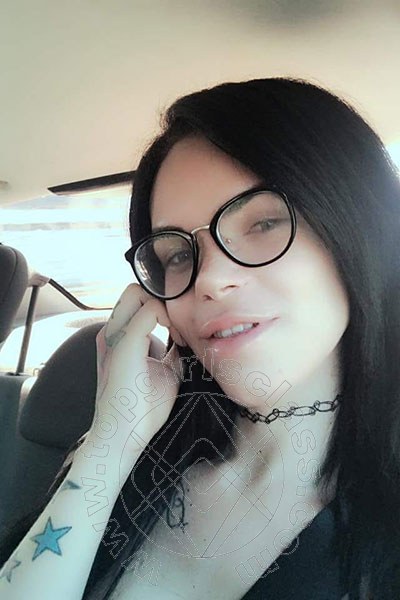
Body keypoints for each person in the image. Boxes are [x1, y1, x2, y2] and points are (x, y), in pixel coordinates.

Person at [0, 77, 399, 599]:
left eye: (263, 223)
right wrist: (114, 437)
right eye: (178, 254)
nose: (208, 279)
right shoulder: (136, 454)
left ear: (359, 226)